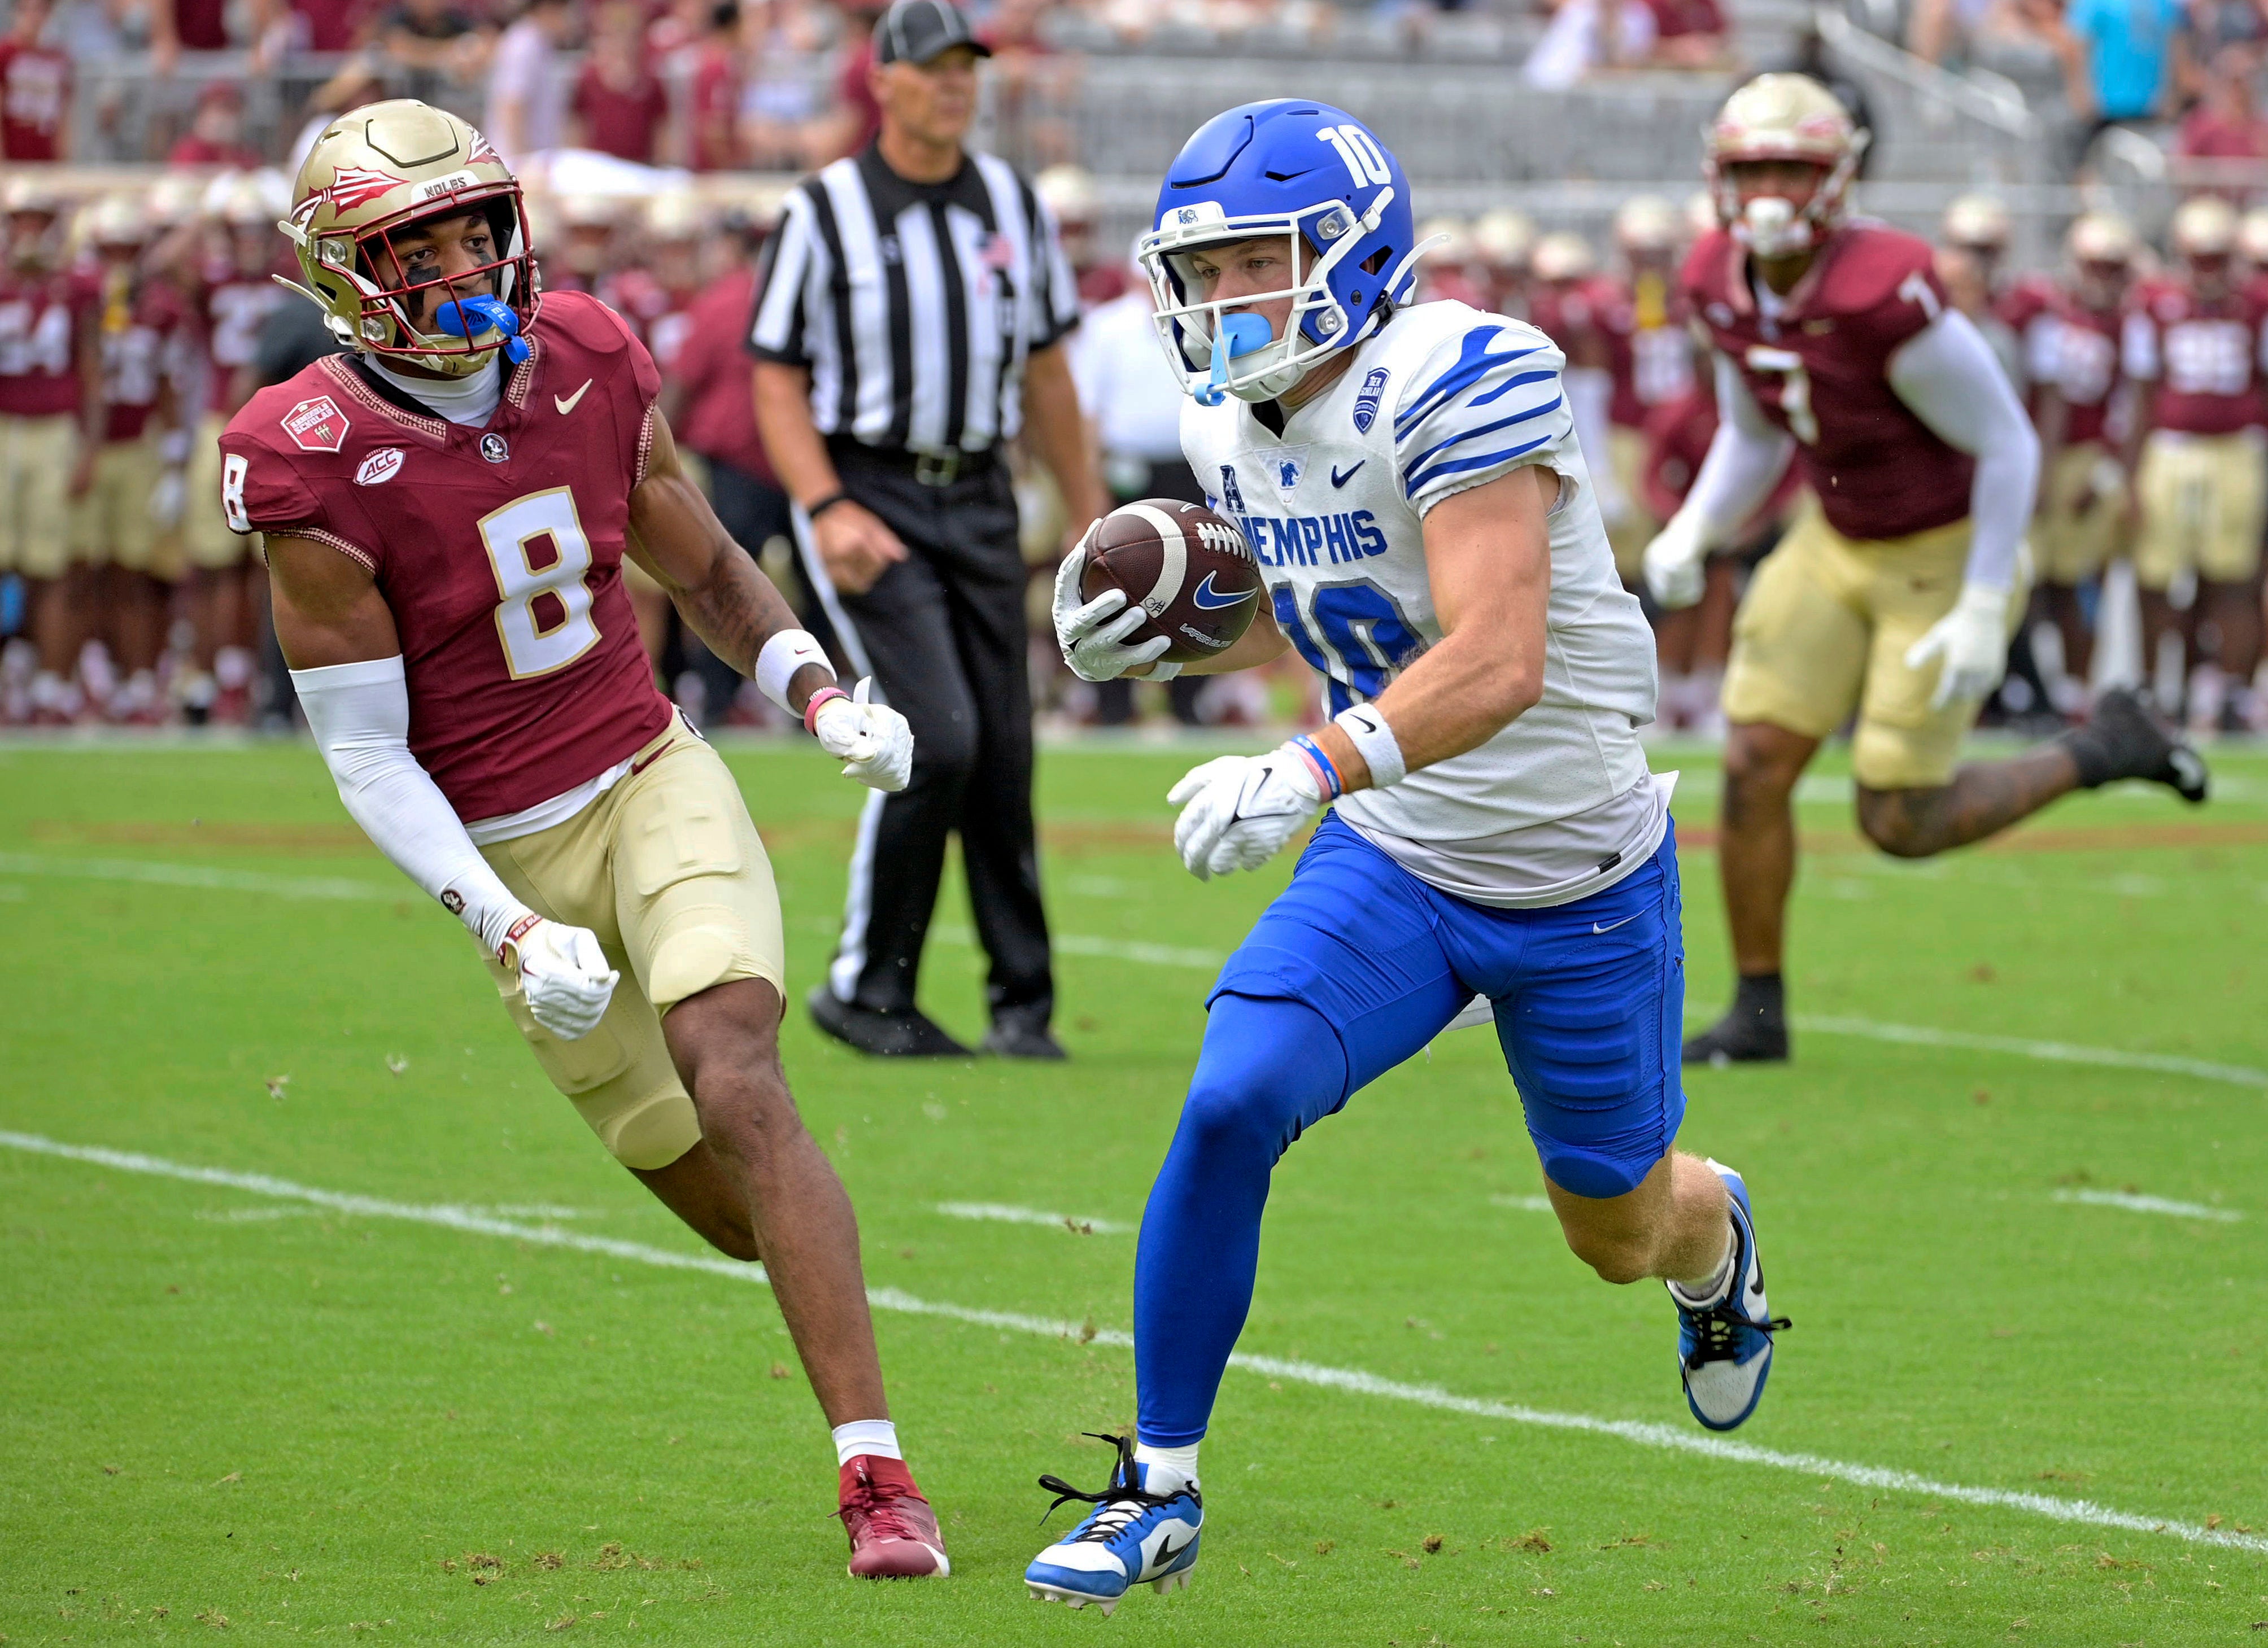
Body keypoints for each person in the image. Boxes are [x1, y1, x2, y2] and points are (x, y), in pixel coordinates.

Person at [1023, 98, 1785, 1615]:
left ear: (1353, 250)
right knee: (1233, 1093)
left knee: (1618, 1231)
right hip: (1398, 853)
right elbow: (1330, 602)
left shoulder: (1468, 370)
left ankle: (1717, 1245)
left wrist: (1302, 763)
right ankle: (1157, 1485)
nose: (1217, 302)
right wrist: (1165, 624)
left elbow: (1496, 654)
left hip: (1573, 873)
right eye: (1202, 270)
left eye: (1251, 263)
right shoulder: (1221, 422)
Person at [219, 98, 947, 1579]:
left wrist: (816, 687)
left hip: (646, 773)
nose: (462, 266)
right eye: (415, 248)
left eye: (478, 229)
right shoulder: (309, 452)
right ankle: (816, 1248)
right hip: (497, 842)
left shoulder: (594, 360)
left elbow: (702, 558)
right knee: (734, 1206)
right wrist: (497, 920)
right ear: (343, 274)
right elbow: (362, 748)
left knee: (738, 1065)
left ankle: (878, 1476)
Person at [1644, 75, 2209, 1067]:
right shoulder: (1713, 276)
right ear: (1718, 176)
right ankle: (1758, 1014)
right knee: (1751, 762)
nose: (1770, 190)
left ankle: (2105, 745)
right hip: (1833, 536)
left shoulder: (1881, 287)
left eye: (1792, 168)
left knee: (1898, 819)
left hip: (1942, 549)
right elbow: (1750, 432)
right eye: (1752, 168)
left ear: (1840, 177)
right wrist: (1695, 527)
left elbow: (2005, 445)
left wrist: (1988, 598)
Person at [751, 0, 1096, 1060]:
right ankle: (867, 986)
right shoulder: (827, 209)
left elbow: (1045, 368)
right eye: (934, 67)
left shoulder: (1010, 202)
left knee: (1002, 746)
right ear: (884, 81)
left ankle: (1022, 1005)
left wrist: (1091, 522)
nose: (956, 84)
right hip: (871, 489)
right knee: (934, 732)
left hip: (982, 489)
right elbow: (775, 373)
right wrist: (824, 503)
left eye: (966, 68)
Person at [2122, 195, 2268, 731]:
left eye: (2217, 257)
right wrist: (2131, 474)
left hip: (2237, 447)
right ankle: (2155, 689)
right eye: (2198, 257)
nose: (2207, 271)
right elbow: (2141, 390)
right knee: (2158, 576)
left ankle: (2229, 693)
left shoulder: (2256, 302)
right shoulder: (2156, 301)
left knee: (2234, 578)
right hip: (2173, 447)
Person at [72, 191, 193, 726]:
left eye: (128, 249)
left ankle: (140, 677)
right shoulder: (77, 299)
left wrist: (172, 458)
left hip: (138, 443)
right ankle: (88, 675)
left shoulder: (162, 308)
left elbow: (169, 383)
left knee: (137, 571)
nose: (119, 261)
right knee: (81, 569)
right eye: (110, 250)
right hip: (82, 444)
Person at [0, 175, 103, 725]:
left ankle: (49, 684)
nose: (31, 230)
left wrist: (89, 447)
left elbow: (92, 369)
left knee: (53, 567)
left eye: (41, 219)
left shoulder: (76, 284)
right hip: (3, 424)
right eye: (23, 219)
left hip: (54, 428)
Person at [2029, 211, 2137, 715]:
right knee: (2035, 581)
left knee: (2078, 580)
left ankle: (2078, 688)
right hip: (2044, 454)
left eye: (2113, 267)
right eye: (2095, 266)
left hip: (2091, 456)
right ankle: (2033, 685)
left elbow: (2133, 407)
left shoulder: (2129, 323)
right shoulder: (2047, 312)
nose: (2103, 278)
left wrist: (2106, 473)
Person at [0, 0, 69, 162]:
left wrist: (63, 159)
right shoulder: (6, 53)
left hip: (45, 156)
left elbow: (63, 115)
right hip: (13, 156)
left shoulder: (58, 58)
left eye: (39, 10)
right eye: (25, 10)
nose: (32, 17)